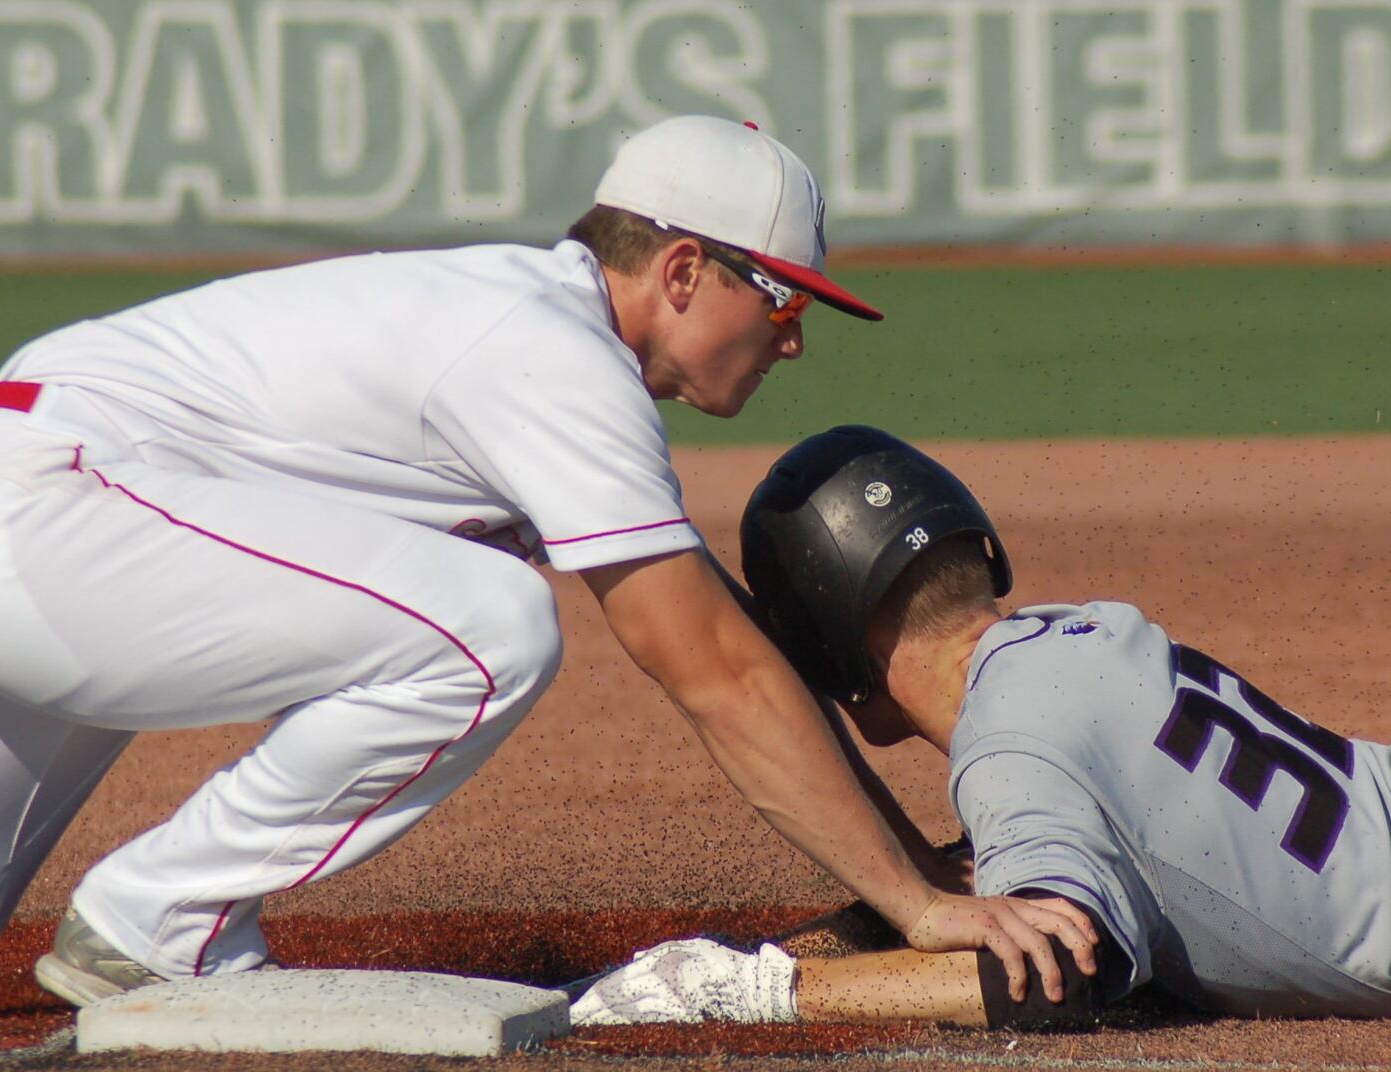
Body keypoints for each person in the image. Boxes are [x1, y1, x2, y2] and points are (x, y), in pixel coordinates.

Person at [0, 118, 1094, 1028]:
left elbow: (722, 645)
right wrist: (917, 905)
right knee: (488, 630)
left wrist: (907, 866)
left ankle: (129, 920)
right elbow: (710, 671)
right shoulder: (549, 348)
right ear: (685, 268)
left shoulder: (518, 334)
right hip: (36, 512)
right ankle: (157, 918)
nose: (793, 337)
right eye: (785, 300)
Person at [572, 425, 1391, 1029]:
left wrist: (759, 992)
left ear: (831, 658)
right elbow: (981, 881)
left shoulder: (1007, 748)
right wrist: (797, 947)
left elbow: (1053, 973)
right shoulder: (1085, 630)